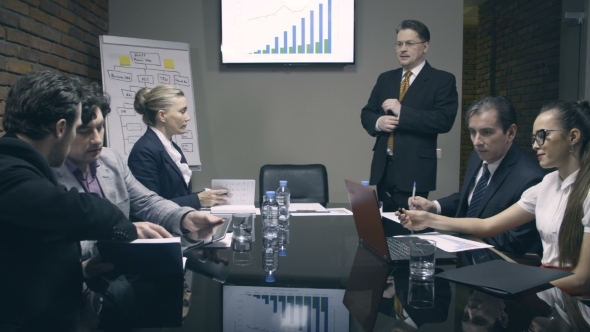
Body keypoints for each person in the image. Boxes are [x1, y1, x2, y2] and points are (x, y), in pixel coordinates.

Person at [0, 71, 165, 331]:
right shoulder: (9, 169)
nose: (96, 138)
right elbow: (79, 211)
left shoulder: (21, 163)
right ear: (61, 128)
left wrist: (85, 270)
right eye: (81, 128)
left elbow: (30, 262)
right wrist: (128, 228)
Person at [399, 100, 590, 295]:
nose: (534, 145)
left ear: (573, 137)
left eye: (542, 136)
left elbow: (582, 279)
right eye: (534, 137)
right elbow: (487, 225)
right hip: (547, 288)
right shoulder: (548, 183)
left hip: (572, 299)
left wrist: (520, 281)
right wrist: (428, 219)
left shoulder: (580, 190)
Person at [52, 83, 223, 260]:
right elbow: (66, 246)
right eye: (84, 131)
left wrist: (184, 217)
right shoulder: (47, 175)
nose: (96, 140)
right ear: (62, 130)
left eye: (100, 128)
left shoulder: (111, 159)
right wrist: (126, 233)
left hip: (125, 272)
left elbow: (148, 202)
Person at [409, 96, 544, 255]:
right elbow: (468, 199)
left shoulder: (531, 178)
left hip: (496, 264)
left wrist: (460, 234)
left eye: (487, 132)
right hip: (463, 255)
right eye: (473, 132)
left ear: (511, 132)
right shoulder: (477, 156)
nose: (477, 141)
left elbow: (514, 241)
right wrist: (434, 206)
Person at [361, 19, 458, 212]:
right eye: (399, 44)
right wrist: (379, 122)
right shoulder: (385, 78)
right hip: (383, 167)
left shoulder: (442, 80)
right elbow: (367, 113)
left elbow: (444, 120)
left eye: (410, 43)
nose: (403, 49)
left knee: (408, 229)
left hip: (415, 169)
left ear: (425, 46)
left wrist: (402, 112)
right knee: (382, 227)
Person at [127, 85, 228, 210]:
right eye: (182, 111)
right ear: (162, 116)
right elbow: (150, 207)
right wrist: (198, 199)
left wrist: (207, 196)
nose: (188, 117)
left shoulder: (170, 146)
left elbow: (177, 195)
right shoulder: (144, 151)